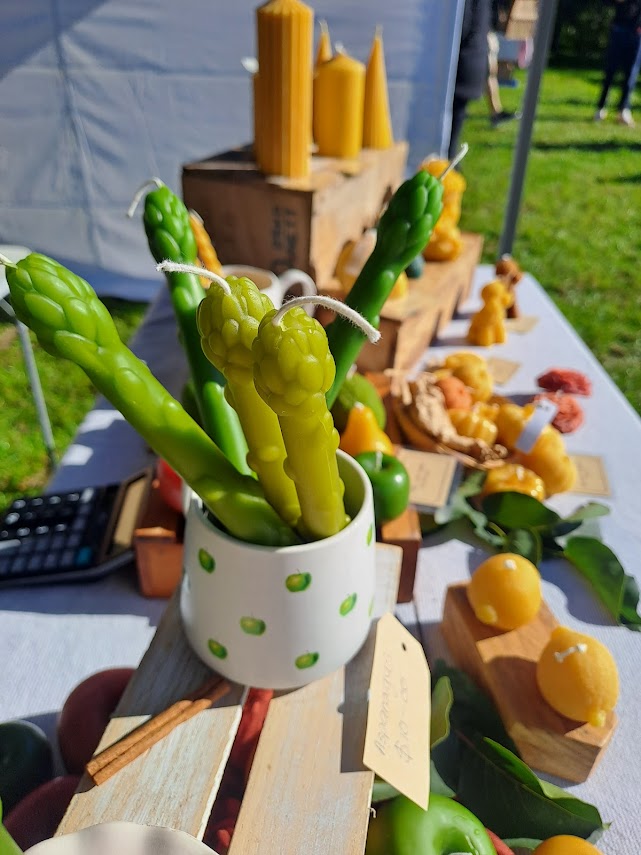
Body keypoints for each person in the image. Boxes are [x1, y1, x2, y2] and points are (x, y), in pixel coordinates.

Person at [449, 0, 492, 159]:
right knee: (454, 127)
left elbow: (461, 27)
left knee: (447, 137)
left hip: (461, 65)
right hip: (472, 62)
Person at [594, 0, 641, 127]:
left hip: (636, 33)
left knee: (631, 74)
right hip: (619, 29)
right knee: (610, 71)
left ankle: (623, 110)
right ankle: (601, 107)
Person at [486, 1, 521, 126]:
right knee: (488, 72)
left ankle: (496, 112)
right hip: (481, 28)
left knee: (490, 73)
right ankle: (495, 113)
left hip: (486, 28)